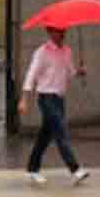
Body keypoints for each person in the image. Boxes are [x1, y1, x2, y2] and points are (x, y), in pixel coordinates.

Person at [19, 26, 89, 186]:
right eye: (57, 31)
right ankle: (75, 170)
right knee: (60, 132)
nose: (61, 34)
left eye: (63, 31)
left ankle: (32, 168)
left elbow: (69, 72)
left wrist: (79, 72)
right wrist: (24, 99)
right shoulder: (42, 52)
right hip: (46, 98)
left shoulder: (67, 51)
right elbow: (31, 74)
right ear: (49, 32)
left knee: (44, 136)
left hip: (59, 99)